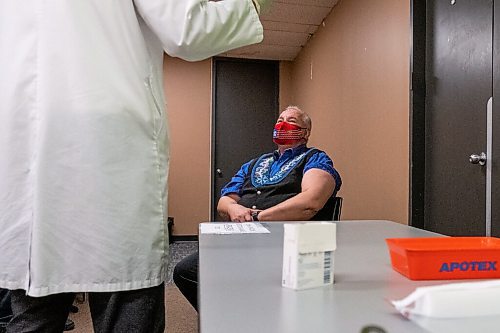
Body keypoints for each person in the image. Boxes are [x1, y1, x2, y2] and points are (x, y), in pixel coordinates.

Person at [0, 1, 272, 332]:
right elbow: (187, 28)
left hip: (24, 154)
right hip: (106, 150)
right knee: (124, 298)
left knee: (34, 310)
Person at [173, 105, 342, 310]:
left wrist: (260, 216)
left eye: (291, 121)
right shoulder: (255, 163)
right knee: (185, 271)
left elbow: (311, 201)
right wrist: (235, 209)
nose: (282, 124)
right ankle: (229, 318)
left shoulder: (314, 158)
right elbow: (225, 201)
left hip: (281, 242)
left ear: (305, 133)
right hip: (241, 239)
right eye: (280, 119)